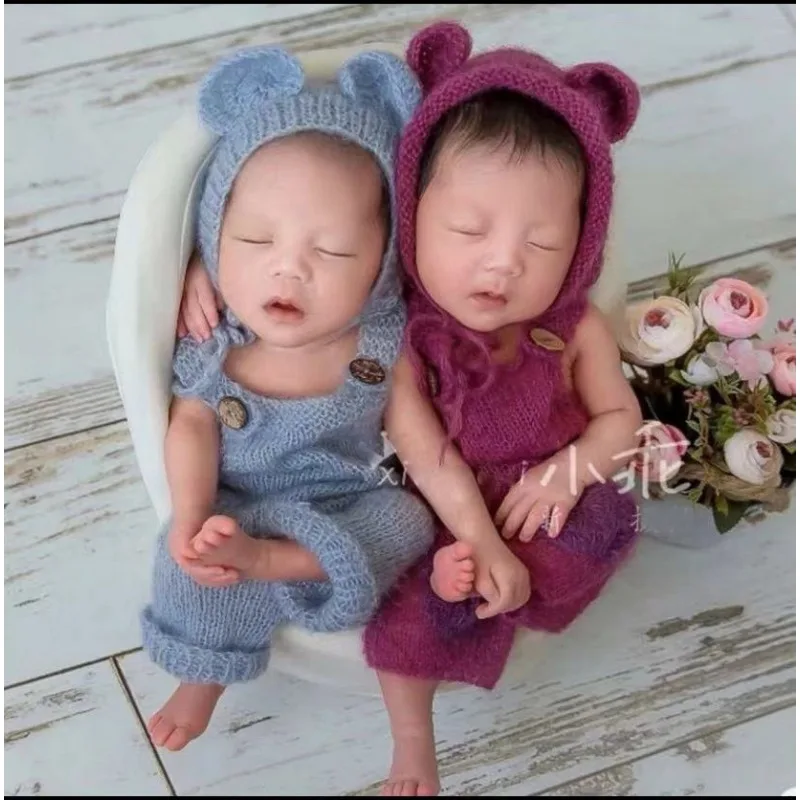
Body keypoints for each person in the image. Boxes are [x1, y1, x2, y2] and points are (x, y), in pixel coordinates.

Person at [176, 21, 645, 795]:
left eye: (545, 243)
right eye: (467, 229)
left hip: (538, 497)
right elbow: (305, 230)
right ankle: (412, 737)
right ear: (411, 215)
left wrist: (569, 473)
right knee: (420, 587)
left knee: (601, 525)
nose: (502, 262)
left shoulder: (574, 326)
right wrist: (205, 266)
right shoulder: (391, 310)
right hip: (431, 502)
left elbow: (619, 421)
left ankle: (504, 582)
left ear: (585, 245)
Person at [140, 43, 436, 753]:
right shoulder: (216, 339)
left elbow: (422, 445)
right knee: (186, 561)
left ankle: (274, 564)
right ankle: (204, 675)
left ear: (384, 261)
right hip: (235, 500)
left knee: (407, 522)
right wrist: (192, 513)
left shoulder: (381, 341)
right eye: (254, 239)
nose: (289, 268)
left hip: (343, 498)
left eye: (332, 253)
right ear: (216, 242)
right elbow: (190, 422)